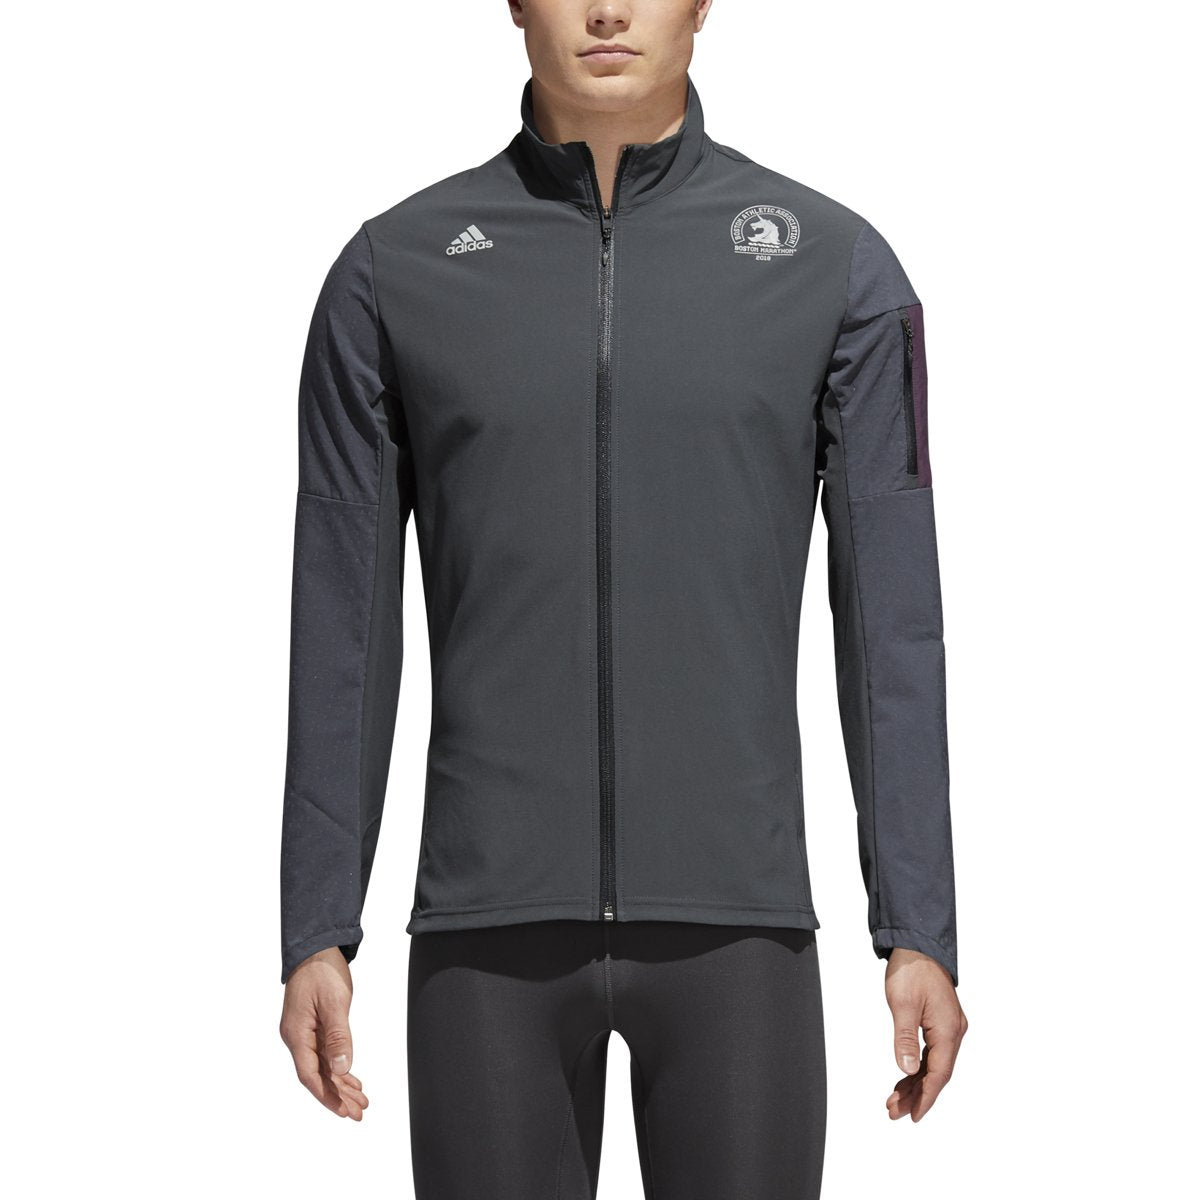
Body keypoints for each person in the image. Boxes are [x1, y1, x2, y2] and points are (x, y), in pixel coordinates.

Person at [277, 1, 968, 1195]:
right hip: (486, 938)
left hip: (739, 929)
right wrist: (315, 927)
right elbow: (341, 624)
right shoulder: (394, 271)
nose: (607, 9)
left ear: (702, 4)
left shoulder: (832, 264)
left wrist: (919, 926)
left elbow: (892, 624)